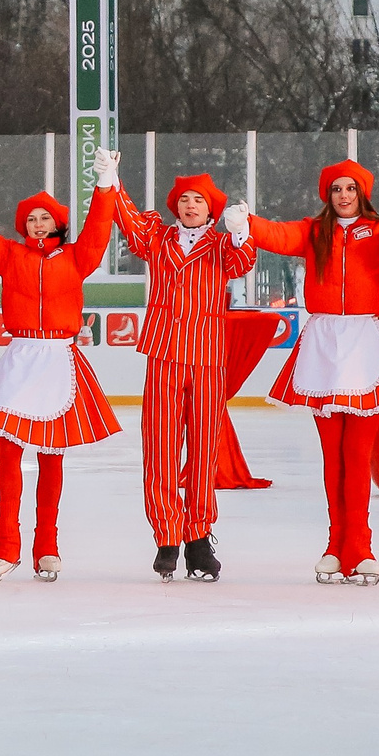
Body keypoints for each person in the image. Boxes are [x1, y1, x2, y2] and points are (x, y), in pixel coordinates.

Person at [0, 140, 123, 584]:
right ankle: (7, 542)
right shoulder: (9, 255)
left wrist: (105, 184)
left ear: (59, 223)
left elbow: (101, 229)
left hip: (59, 358)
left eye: (45, 218)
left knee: (51, 457)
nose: (38, 224)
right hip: (21, 357)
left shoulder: (78, 257)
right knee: (8, 453)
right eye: (31, 219)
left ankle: (47, 544)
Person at [245, 161, 379, 586]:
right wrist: (247, 222)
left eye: (351, 189)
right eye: (337, 189)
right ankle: (334, 543)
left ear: (362, 193)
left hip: (365, 346)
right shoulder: (313, 231)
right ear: (328, 194)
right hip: (323, 346)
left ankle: (360, 546)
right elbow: (278, 235)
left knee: (358, 454)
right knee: (332, 456)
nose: (344, 196)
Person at [108, 169, 258, 581]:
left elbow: (243, 262)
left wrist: (241, 229)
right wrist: (111, 182)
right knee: (159, 447)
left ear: (211, 208)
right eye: (185, 199)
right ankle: (167, 536)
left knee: (205, 449)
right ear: (176, 206)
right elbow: (129, 221)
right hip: (163, 354)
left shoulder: (222, 243)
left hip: (207, 356)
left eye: (199, 200)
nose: (191, 205)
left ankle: (197, 535)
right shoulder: (159, 238)